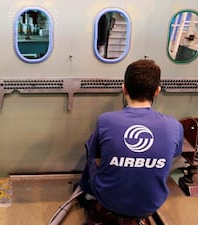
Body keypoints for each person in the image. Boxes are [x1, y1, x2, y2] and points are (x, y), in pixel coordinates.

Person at [78, 59, 183, 225]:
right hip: (151, 203)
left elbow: (98, 160)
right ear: (157, 91)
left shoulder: (106, 120)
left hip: (109, 200)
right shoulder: (174, 126)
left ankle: (90, 195)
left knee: (92, 145)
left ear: (124, 88)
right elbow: (173, 158)